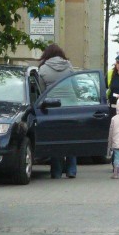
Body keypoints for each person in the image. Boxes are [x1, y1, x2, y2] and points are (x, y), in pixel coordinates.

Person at [38, 44, 77, 179]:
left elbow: (41, 92)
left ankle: (56, 171)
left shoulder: (42, 69)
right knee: (71, 138)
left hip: (53, 108)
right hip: (71, 107)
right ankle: (71, 170)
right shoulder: (69, 66)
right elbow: (76, 86)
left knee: (56, 140)